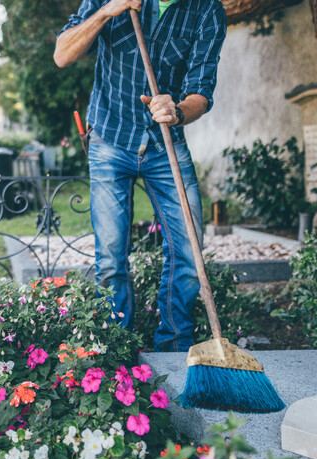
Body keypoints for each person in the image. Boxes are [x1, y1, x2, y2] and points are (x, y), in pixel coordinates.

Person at [54, 0, 226, 352]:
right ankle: (118, 353)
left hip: (165, 142)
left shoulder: (207, 9)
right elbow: (62, 54)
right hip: (110, 138)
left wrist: (176, 110)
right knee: (111, 259)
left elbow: (202, 92)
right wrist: (105, 12)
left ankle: (176, 349)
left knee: (189, 254)